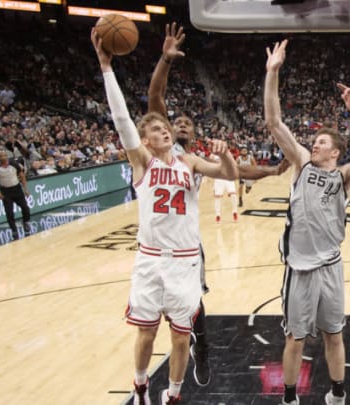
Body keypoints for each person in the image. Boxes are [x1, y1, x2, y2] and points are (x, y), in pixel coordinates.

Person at [92, 29, 239, 405]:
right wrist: (106, 66)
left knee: (179, 336)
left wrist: (222, 154)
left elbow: (229, 174)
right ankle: (140, 385)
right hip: (151, 260)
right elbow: (122, 118)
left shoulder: (189, 160)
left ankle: (173, 395)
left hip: (186, 261)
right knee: (145, 333)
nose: (164, 129)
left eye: (165, 126)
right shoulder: (141, 161)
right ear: (145, 140)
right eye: (156, 129)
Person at [147, 23, 290, 388]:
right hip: (151, 248)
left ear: (192, 134)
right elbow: (155, 98)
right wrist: (165, 59)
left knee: (195, 303)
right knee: (153, 317)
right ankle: (143, 378)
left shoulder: (194, 160)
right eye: (173, 121)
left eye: (185, 123)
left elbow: (238, 171)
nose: (177, 124)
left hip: (186, 244)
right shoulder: (161, 148)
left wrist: (272, 170)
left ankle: (203, 346)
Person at [265, 40, 350, 405]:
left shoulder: (344, 175)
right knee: (295, 339)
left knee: (334, 335)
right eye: (313, 142)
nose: (312, 145)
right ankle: (289, 397)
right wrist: (273, 72)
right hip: (299, 268)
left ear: (334, 151)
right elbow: (273, 121)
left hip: (331, 266)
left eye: (319, 142)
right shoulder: (301, 163)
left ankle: (337, 394)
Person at [0, 150, 31, 240]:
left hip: (17, 189)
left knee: (25, 208)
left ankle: (25, 222)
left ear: (7, 156)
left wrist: (25, 189)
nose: (3, 157)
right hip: (5, 191)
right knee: (9, 213)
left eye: (4, 155)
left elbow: (22, 176)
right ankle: (14, 230)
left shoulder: (14, 164)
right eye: (0, 156)